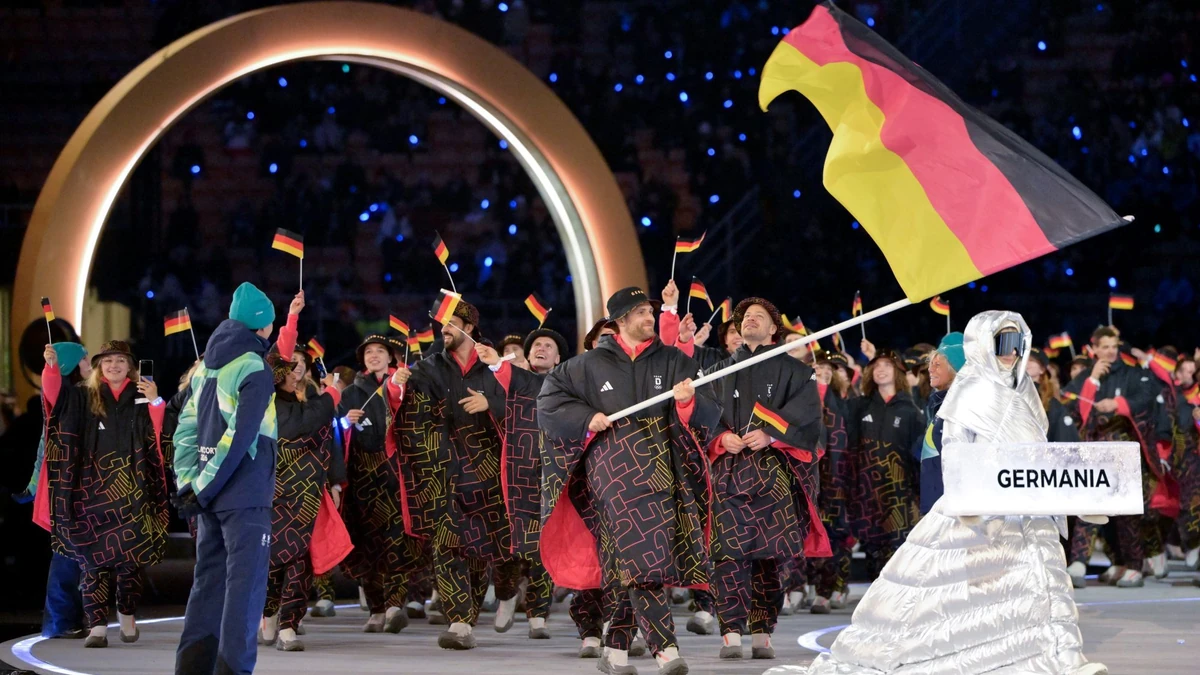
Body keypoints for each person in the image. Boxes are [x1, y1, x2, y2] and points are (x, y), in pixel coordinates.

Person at [806, 310, 1109, 675]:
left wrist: (1074, 496)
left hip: (1026, 506)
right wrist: (969, 502)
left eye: (1016, 342)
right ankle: (971, 659)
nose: (1010, 351)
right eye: (1002, 341)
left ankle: (1062, 660)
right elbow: (954, 450)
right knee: (962, 597)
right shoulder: (969, 388)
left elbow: (1038, 453)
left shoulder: (1024, 390)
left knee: (1043, 584)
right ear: (983, 343)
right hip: (980, 508)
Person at [538, 286, 722, 675]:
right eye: (640, 312)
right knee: (644, 557)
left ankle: (616, 651)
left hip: (662, 468)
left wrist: (688, 402)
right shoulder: (586, 365)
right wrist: (587, 417)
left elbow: (710, 409)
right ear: (619, 321)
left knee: (636, 560)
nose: (648, 317)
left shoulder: (673, 360)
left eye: (650, 311)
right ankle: (665, 650)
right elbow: (549, 402)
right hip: (613, 469)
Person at [703, 298, 827, 660]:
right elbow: (704, 418)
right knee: (726, 556)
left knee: (772, 558)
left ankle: (762, 631)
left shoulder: (796, 371)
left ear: (774, 329)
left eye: (759, 317)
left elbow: (808, 418)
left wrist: (772, 435)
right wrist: (720, 438)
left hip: (774, 477)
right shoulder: (719, 371)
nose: (750, 320)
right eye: (744, 318)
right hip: (729, 475)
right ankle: (730, 633)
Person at [391, 298, 517, 650]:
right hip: (445, 472)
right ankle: (460, 622)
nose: (443, 329)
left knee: (489, 553)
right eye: (442, 324)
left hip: (491, 475)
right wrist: (397, 388)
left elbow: (527, 409)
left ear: (470, 327)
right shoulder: (428, 368)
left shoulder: (496, 365)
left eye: (451, 323)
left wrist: (491, 404)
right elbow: (409, 417)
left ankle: (500, 595)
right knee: (448, 546)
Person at [174, 282, 280, 675]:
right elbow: (240, 436)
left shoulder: (206, 365)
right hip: (244, 495)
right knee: (245, 591)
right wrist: (204, 486)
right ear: (264, 326)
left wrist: (190, 484)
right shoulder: (254, 367)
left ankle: (191, 668)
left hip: (208, 497)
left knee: (208, 584)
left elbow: (185, 429)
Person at [41, 340, 167, 649]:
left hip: (132, 492)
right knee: (90, 564)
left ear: (130, 366)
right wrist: (51, 367)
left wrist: (155, 402)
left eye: (120, 361)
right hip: (90, 493)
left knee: (130, 562)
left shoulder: (140, 395)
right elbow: (53, 398)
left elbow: (159, 435)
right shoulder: (83, 396)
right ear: (99, 365)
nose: (114, 365)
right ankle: (96, 625)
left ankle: (126, 612)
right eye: (108, 360)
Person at [1063, 327, 1168, 587]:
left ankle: (1133, 565)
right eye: (1105, 346)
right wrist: (1093, 382)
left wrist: (1119, 405)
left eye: (1114, 346)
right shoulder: (1086, 376)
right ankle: (1078, 562)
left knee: (1128, 513)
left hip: (1126, 457)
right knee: (1089, 507)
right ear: (1094, 348)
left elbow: (1147, 399)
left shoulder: (1133, 374)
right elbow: (1073, 408)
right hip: (1094, 456)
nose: (1110, 351)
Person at [258, 346, 347, 652]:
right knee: (270, 563)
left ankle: (288, 626)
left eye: (300, 364)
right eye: (290, 365)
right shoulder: (264, 404)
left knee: (301, 563)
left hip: (308, 495)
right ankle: (269, 613)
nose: (297, 370)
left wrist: (335, 482)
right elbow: (304, 421)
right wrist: (332, 394)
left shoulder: (312, 399)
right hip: (272, 493)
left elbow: (331, 440)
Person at [339, 334, 423, 633]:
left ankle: (394, 606)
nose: (374, 355)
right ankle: (376, 608)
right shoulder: (349, 392)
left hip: (396, 474)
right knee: (367, 544)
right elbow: (331, 431)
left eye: (380, 351)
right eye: (368, 352)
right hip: (362, 478)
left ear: (392, 357)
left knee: (397, 543)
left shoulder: (405, 386)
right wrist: (344, 422)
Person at [24, 342, 90, 640]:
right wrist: (50, 367)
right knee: (67, 557)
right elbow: (51, 385)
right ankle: (60, 622)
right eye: (85, 359)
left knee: (76, 557)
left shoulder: (80, 397)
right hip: (65, 490)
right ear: (73, 368)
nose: (91, 363)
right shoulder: (63, 396)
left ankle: (69, 619)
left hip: (74, 490)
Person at [847, 348, 924, 576]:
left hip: (901, 494)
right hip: (867, 493)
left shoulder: (911, 410)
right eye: (876, 366)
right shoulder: (859, 406)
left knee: (899, 550)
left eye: (887, 365)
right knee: (872, 550)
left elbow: (918, 457)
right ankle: (875, 605)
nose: (880, 370)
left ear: (898, 371)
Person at [916, 332, 965, 514]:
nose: (930, 369)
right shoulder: (940, 405)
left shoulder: (960, 408)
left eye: (938, 365)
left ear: (955, 370)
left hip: (951, 507)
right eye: (930, 364)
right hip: (935, 502)